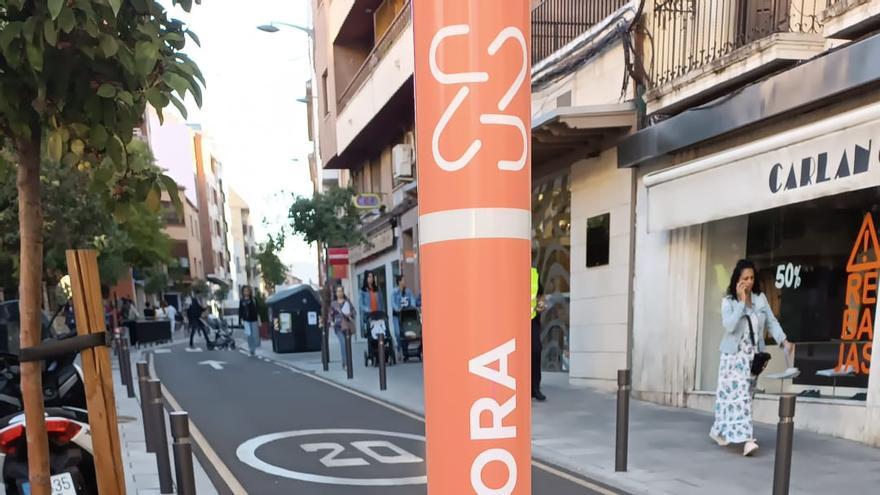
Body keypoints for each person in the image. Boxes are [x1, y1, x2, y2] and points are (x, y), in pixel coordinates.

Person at [710, 259, 793, 457]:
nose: (748, 281)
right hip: (733, 357)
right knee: (741, 398)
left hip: (752, 357)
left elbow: (771, 322)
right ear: (737, 280)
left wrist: (784, 341)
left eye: (751, 278)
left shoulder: (760, 299)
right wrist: (741, 302)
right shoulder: (728, 301)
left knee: (743, 396)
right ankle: (747, 440)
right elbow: (729, 326)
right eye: (745, 278)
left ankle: (718, 430)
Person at [329, 285, 356, 368]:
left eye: (341, 291)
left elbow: (354, 312)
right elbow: (330, 315)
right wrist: (331, 322)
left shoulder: (347, 302)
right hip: (338, 327)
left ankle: (348, 361)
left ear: (343, 292)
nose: (339, 293)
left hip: (347, 326)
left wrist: (350, 314)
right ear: (336, 293)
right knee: (343, 342)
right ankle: (345, 362)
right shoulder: (333, 304)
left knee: (347, 344)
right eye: (338, 291)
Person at [531, 267, 547, 402]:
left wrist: (541, 304)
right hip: (514, 320)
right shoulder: (511, 269)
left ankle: (535, 387)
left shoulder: (533, 273)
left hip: (532, 319)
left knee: (536, 350)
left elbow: (540, 294)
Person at [391, 275, 415, 358]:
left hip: (405, 315)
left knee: (406, 333)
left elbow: (412, 299)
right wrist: (397, 309)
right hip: (396, 315)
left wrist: (413, 306)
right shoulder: (394, 292)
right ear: (399, 282)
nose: (404, 282)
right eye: (403, 280)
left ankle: (405, 352)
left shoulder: (408, 291)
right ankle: (399, 349)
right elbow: (393, 303)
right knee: (398, 333)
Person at [239, 286, 260, 357]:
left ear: (250, 292)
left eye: (247, 291)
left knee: (254, 335)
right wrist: (240, 320)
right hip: (246, 320)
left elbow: (257, 309)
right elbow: (240, 310)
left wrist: (259, 318)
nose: (246, 292)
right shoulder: (242, 300)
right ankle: (251, 349)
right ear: (243, 292)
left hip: (254, 319)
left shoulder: (253, 299)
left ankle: (254, 348)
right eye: (244, 291)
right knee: (249, 335)